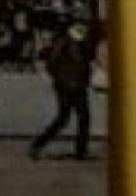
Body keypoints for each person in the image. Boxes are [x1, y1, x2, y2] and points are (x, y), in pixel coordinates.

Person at [29, 18, 96, 161]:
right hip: (68, 86)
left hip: (75, 85)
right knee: (67, 118)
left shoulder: (79, 42)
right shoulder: (64, 42)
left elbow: (85, 62)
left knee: (77, 118)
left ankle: (80, 150)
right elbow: (52, 62)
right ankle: (38, 144)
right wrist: (60, 79)